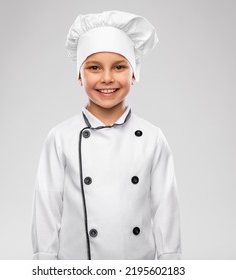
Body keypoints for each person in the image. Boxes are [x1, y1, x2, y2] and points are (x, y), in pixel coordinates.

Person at [31, 10, 181, 260]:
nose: (107, 78)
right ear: (80, 75)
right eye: (94, 67)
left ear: (134, 73)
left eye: (119, 66)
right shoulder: (60, 137)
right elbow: (46, 207)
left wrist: (170, 263)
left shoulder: (152, 138)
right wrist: (44, 264)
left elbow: (166, 209)